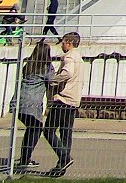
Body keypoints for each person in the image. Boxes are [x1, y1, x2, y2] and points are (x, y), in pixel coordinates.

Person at [44, 31, 85, 177]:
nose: (61, 44)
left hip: (63, 99)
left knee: (48, 130)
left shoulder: (69, 57)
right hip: (74, 100)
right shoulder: (79, 58)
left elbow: (67, 73)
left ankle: (65, 157)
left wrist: (53, 80)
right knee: (66, 133)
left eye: (63, 42)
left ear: (69, 42)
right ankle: (62, 166)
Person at [11, 41, 53, 170]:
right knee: (36, 128)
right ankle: (25, 159)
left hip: (19, 101)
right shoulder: (46, 67)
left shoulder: (28, 65)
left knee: (31, 128)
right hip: (32, 104)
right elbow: (52, 81)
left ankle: (25, 157)